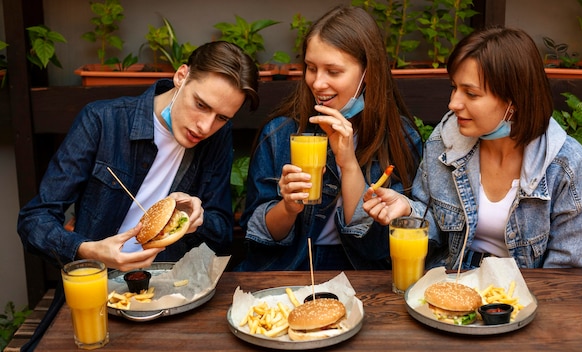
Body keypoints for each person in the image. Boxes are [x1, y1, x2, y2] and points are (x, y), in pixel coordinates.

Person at [364, 26, 582, 273]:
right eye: (454, 87)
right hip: (448, 286)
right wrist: (409, 210)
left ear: (514, 101)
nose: (453, 103)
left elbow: (568, 275)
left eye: (471, 94)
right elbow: (435, 229)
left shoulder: (568, 167)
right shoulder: (445, 141)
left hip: (523, 297)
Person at [17, 41, 260, 272]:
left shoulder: (217, 137)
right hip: (99, 283)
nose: (205, 127)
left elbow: (222, 233)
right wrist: (89, 251)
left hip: (169, 288)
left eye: (221, 117)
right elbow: (34, 220)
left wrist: (196, 218)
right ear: (181, 76)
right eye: (201, 105)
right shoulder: (102, 121)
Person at [235, 5, 422, 271]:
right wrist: (288, 207)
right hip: (290, 268)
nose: (318, 83)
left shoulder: (400, 138)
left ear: (367, 73)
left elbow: (376, 248)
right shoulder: (280, 134)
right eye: (311, 68)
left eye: (333, 72)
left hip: (364, 272)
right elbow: (258, 240)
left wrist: (347, 163)